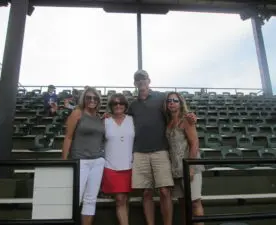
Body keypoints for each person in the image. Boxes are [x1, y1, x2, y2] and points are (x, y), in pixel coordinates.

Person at [128, 70, 197, 225]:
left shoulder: (161, 98)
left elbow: (177, 106)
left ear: (149, 80)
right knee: (146, 193)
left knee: (165, 192)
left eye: (143, 78)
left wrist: (190, 115)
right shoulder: (132, 105)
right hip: (140, 152)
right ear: (134, 83)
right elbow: (121, 119)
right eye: (137, 79)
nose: (141, 81)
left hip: (161, 151)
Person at [62, 86, 105, 225]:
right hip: (80, 161)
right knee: (75, 198)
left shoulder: (99, 117)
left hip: (97, 161)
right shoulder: (77, 113)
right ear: (84, 99)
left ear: (98, 100)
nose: (92, 100)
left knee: (91, 200)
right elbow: (68, 137)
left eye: (95, 98)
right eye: (89, 97)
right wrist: (64, 160)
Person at [165, 92, 205, 225]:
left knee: (195, 202)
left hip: (189, 167)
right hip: (176, 169)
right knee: (183, 204)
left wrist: (191, 168)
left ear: (180, 103)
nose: (172, 103)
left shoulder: (187, 119)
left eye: (175, 100)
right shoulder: (169, 122)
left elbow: (194, 143)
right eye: (169, 100)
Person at [101, 93, 135, 225]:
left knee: (126, 199)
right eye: (115, 103)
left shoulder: (132, 119)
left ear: (125, 105)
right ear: (111, 106)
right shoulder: (105, 121)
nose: (118, 105)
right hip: (111, 166)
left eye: (121, 103)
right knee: (120, 199)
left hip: (130, 165)